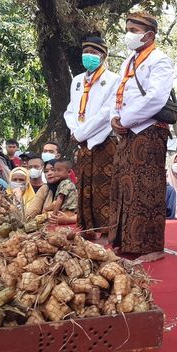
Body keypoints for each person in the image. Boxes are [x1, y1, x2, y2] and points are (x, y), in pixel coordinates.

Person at [109, 11, 175, 263]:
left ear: (149, 35)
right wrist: (114, 119)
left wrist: (125, 120)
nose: (129, 35)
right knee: (125, 187)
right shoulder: (128, 60)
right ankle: (126, 240)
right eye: (128, 29)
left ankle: (151, 245)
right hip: (127, 131)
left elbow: (156, 98)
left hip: (148, 131)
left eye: (134, 31)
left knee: (147, 188)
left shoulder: (160, 60)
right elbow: (119, 92)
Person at [63, 35, 119, 236]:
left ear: (103, 56)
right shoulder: (77, 80)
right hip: (82, 142)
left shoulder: (113, 79)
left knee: (104, 187)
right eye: (86, 52)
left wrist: (82, 133)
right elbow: (71, 109)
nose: (89, 56)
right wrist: (75, 131)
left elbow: (106, 113)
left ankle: (106, 231)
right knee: (85, 186)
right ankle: (86, 228)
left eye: (94, 52)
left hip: (103, 141)